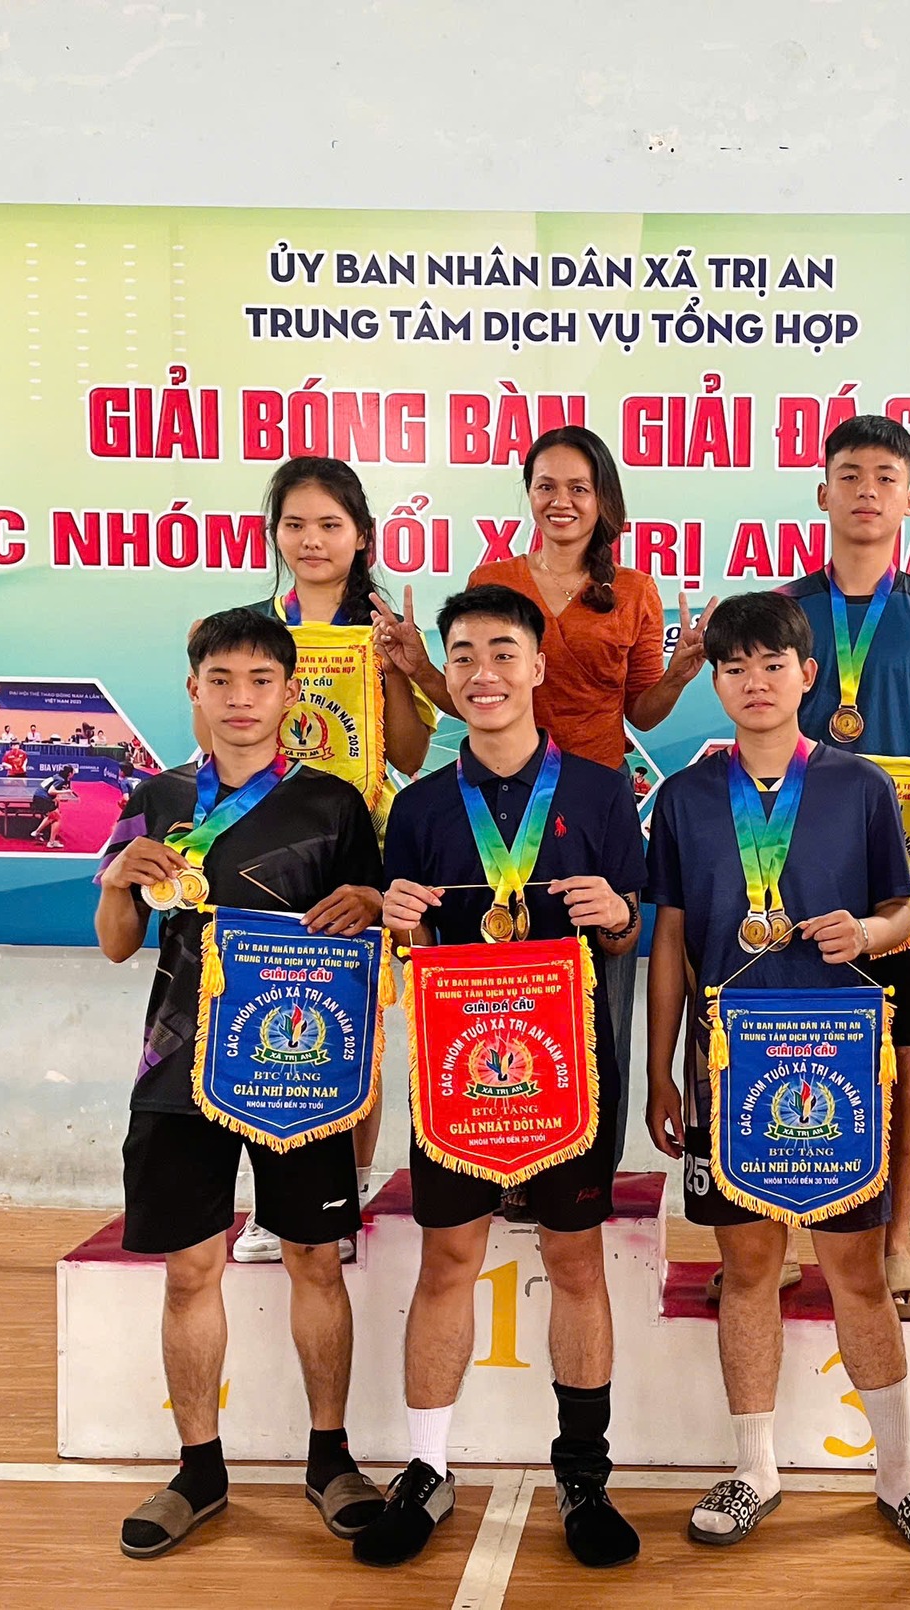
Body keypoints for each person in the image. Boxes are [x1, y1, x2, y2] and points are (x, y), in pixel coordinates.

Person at [642, 592, 910, 1559]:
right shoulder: (686, 798)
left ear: (807, 675)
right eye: (734, 667)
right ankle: (754, 1470)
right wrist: (660, 1068)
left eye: (772, 664)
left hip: (837, 1066)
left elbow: (904, 912)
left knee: (855, 1272)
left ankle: (901, 1475)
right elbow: (669, 940)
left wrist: (865, 931)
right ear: (715, 680)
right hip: (727, 1064)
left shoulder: (861, 787)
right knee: (748, 1270)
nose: (754, 681)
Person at [356, 584, 645, 1571]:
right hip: (459, 1070)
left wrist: (617, 914)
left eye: (502, 653)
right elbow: (412, 946)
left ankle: (584, 1475)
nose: (483, 673)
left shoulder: (602, 792)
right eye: (464, 656)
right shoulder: (421, 807)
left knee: (575, 1261)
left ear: (537, 668)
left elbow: (629, 931)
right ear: (446, 673)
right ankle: (427, 1468)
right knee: (447, 1259)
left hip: (570, 1068)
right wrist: (398, 921)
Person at [94, 608, 388, 1562]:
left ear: (291, 693)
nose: (240, 698)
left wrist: (372, 901)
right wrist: (116, 881)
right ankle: (199, 1469)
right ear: (194, 690)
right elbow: (117, 945)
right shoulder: (155, 797)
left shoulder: (335, 805)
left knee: (313, 1260)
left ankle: (331, 1459)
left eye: (261, 680)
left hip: (296, 1067)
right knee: (190, 1270)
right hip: (176, 1066)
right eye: (220, 680)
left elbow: (376, 928)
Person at [376, 426, 713, 1165]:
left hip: (594, 809)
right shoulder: (494, 576)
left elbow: (642, 711)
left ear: (603, 500)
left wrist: (679, 673)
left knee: (602, 987)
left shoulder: (634, 591)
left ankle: (588, 1162)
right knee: (489, 981)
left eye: (579, 488)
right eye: (546, 486)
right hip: (491, 799)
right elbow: (477, 692)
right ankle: (490, 1144)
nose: (562, 501)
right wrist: (418, 665)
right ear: (528, 495)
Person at [201, 457, 425, 1265]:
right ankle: (273, 1200)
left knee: (352, 1022)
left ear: (363, 535)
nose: (312, 539)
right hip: (261, 848)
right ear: (274, 535)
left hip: (356, 846)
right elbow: (209, 745)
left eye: (331, 524)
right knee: (263, 1019)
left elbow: (409, 754)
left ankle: (342, 1193)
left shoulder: (384, 629)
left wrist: (396, 672)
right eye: (295, 524)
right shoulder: (244, 628)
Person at [780, 413, 910, 1320]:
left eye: (886, 477)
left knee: (903, 1056)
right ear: (822, 492)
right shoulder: (786, 613)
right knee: (777, 1043)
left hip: (900, 875)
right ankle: (776, 1238)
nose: (867, 491)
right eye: (850, 474)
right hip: (788, 865)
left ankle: (894, 1244)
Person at [30, 764, 78, 849]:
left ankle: (40, 834)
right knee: (57, 818)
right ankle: (48, 841)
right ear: (69, 773)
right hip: (44, 799)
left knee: (53, 817)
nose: (74, 773)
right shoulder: (61, 780)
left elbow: (54, 789)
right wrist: (66, 791)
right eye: (73, 772)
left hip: (38, 797)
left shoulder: (57, 776)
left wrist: (56, 797)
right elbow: (51, 791)